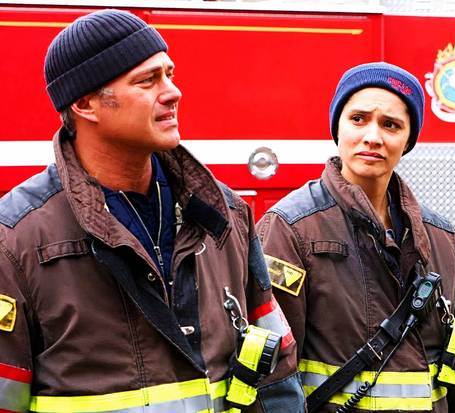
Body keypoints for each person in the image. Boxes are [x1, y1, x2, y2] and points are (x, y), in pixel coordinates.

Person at [0, 9, 303, 412]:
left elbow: (277, 375)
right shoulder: (17, 240)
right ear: (86, 104)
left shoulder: (226, 216)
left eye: (170, 74)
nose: (173, 92)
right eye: (148, 80)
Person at [256, 62, 455, 412]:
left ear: (407, 141)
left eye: (390, 124)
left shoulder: (443, 240)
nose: (372, 136)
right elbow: (271, 376)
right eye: (358, 119)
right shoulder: (290, 229)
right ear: (337, 128)